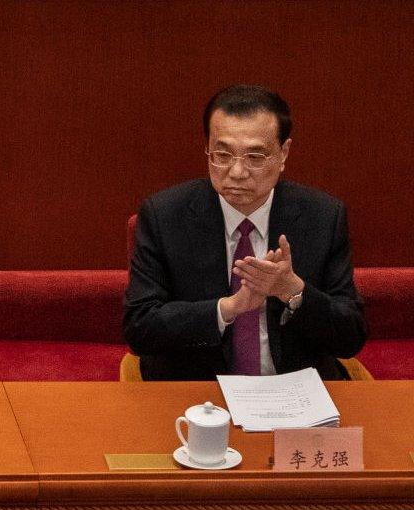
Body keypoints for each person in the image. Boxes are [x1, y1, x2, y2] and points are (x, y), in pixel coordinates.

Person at [123, 84, 366, 380]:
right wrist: (226, 309)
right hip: (199, 392)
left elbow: (351, 336)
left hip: (294, 392)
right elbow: (139, 327)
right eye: (222, 155)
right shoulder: (164, 216)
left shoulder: (323, 217)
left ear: (283, 153)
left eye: (255, 157)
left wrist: (294, 292)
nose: (236, 172)